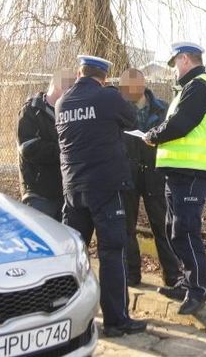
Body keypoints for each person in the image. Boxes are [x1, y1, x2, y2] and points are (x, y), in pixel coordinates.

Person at [55, 55, 147, 337]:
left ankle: (69, 319)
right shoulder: (107, 98)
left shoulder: (62, 103)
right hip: (105, 188)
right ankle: (116, 320)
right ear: (104, 77)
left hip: (73, 190)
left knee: (73, 256)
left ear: (79, 72)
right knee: (111, 252)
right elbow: (132, 117)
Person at [143, 42, 206, 315]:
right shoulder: (189, 88)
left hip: (191, 173)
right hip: (178, 172)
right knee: (174, 230)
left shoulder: (199, 86)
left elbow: (181, 123)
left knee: (185, 231)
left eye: (175, 63)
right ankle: (186, 284)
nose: (174, 69)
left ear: (185, 59)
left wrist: (153, 135)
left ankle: (198, 290)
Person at [118, 68, 180, 287]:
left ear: (142, 86)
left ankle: (172, 275)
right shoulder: (120, 110)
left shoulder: (162, 109)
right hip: (128, 173)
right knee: (127, 227)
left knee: (162, 226)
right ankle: (132, 274)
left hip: (155, 173)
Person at [17, 68, 74, 221]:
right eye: (70, 87)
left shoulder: (69, 112)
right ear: (57, 85)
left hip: (64, 189)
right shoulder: (31, 110)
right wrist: (65, 150)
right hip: (39, 192)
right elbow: (29, 148)